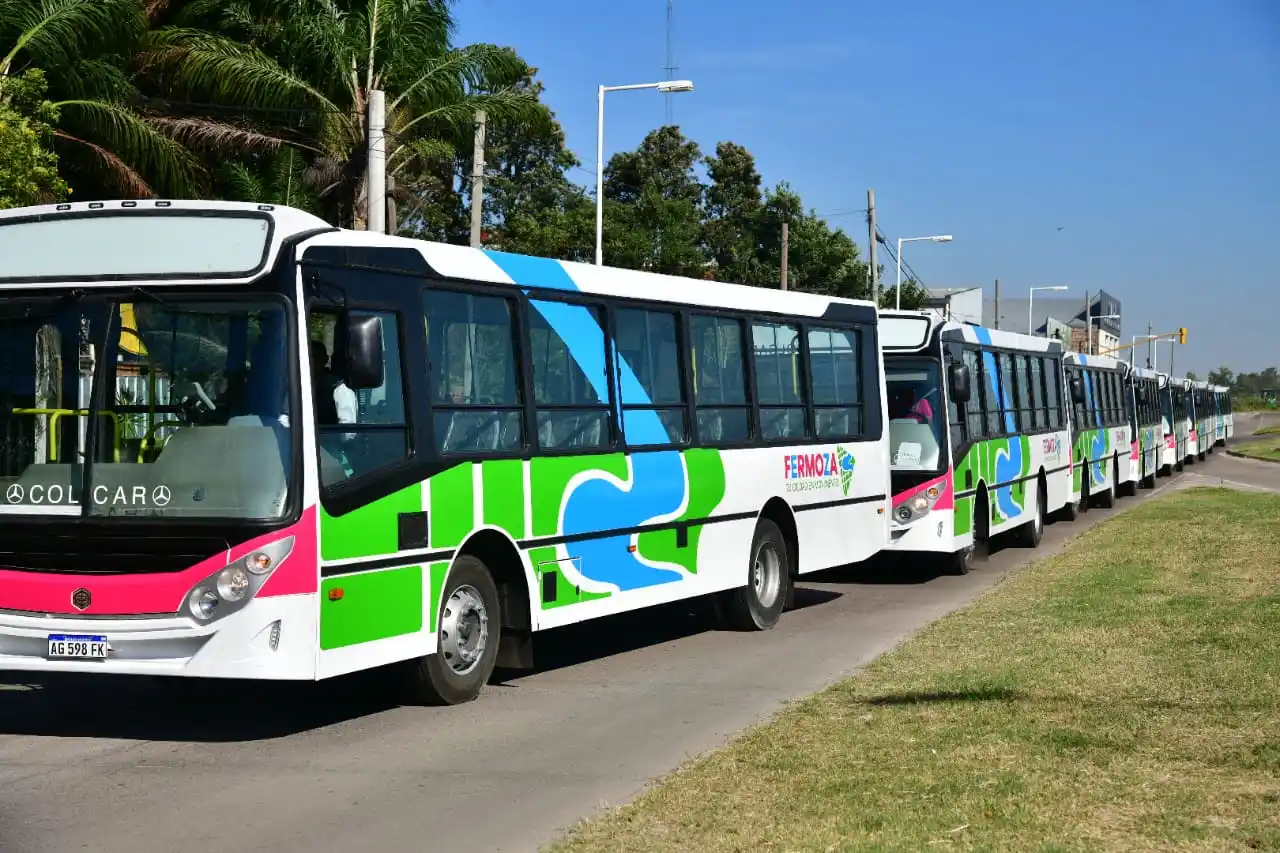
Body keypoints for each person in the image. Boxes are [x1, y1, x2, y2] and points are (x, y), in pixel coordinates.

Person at [311, 340, 358, 441]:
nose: (311, 362)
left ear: (325, 359)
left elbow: (348, 432)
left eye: (315, 358)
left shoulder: (339, 389)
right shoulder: (294, 388)